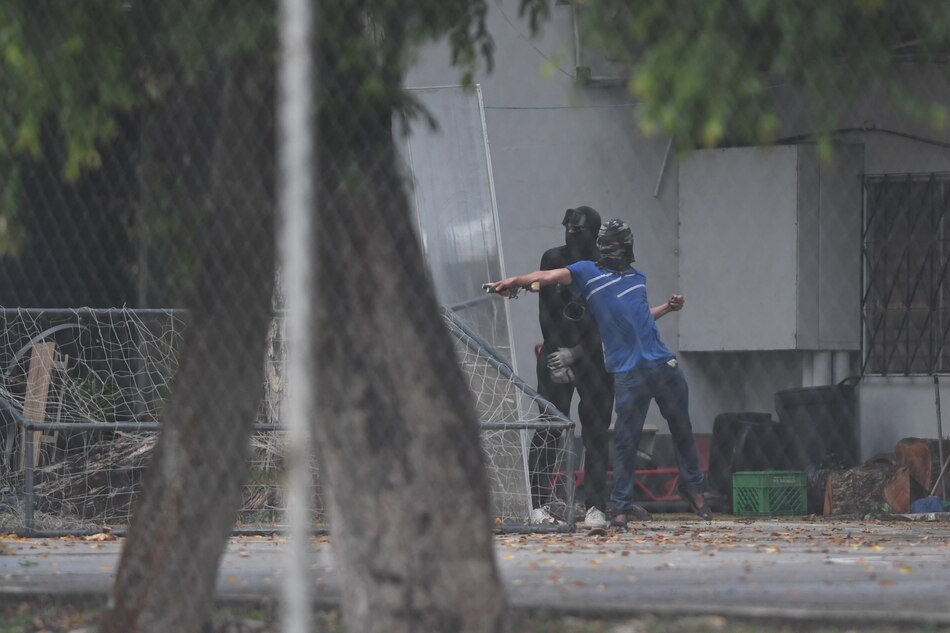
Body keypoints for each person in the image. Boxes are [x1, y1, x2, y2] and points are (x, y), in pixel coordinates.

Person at [494, 218, 712, 528]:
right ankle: (619, 509)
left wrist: (666, 307)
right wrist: (514, 281)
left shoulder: (637, 277)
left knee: (682, 428)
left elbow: (639, 317)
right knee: (624, 441)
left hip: (661, 364)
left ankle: (693, 488)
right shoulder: (587, 272)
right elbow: (546, 276)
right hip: (629, 372)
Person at [528, 206, 614, 530]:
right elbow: (546, 312)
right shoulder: (553, 259)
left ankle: (595, 505)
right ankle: (537, 503)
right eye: (569, 230)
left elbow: (606, 318)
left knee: (596, 432)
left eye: (578, 231)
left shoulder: (606, 265)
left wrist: (576, 353)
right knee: (549, 428)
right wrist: (555, 353)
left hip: (592, 356)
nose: (571, 235)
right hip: (556, 351)